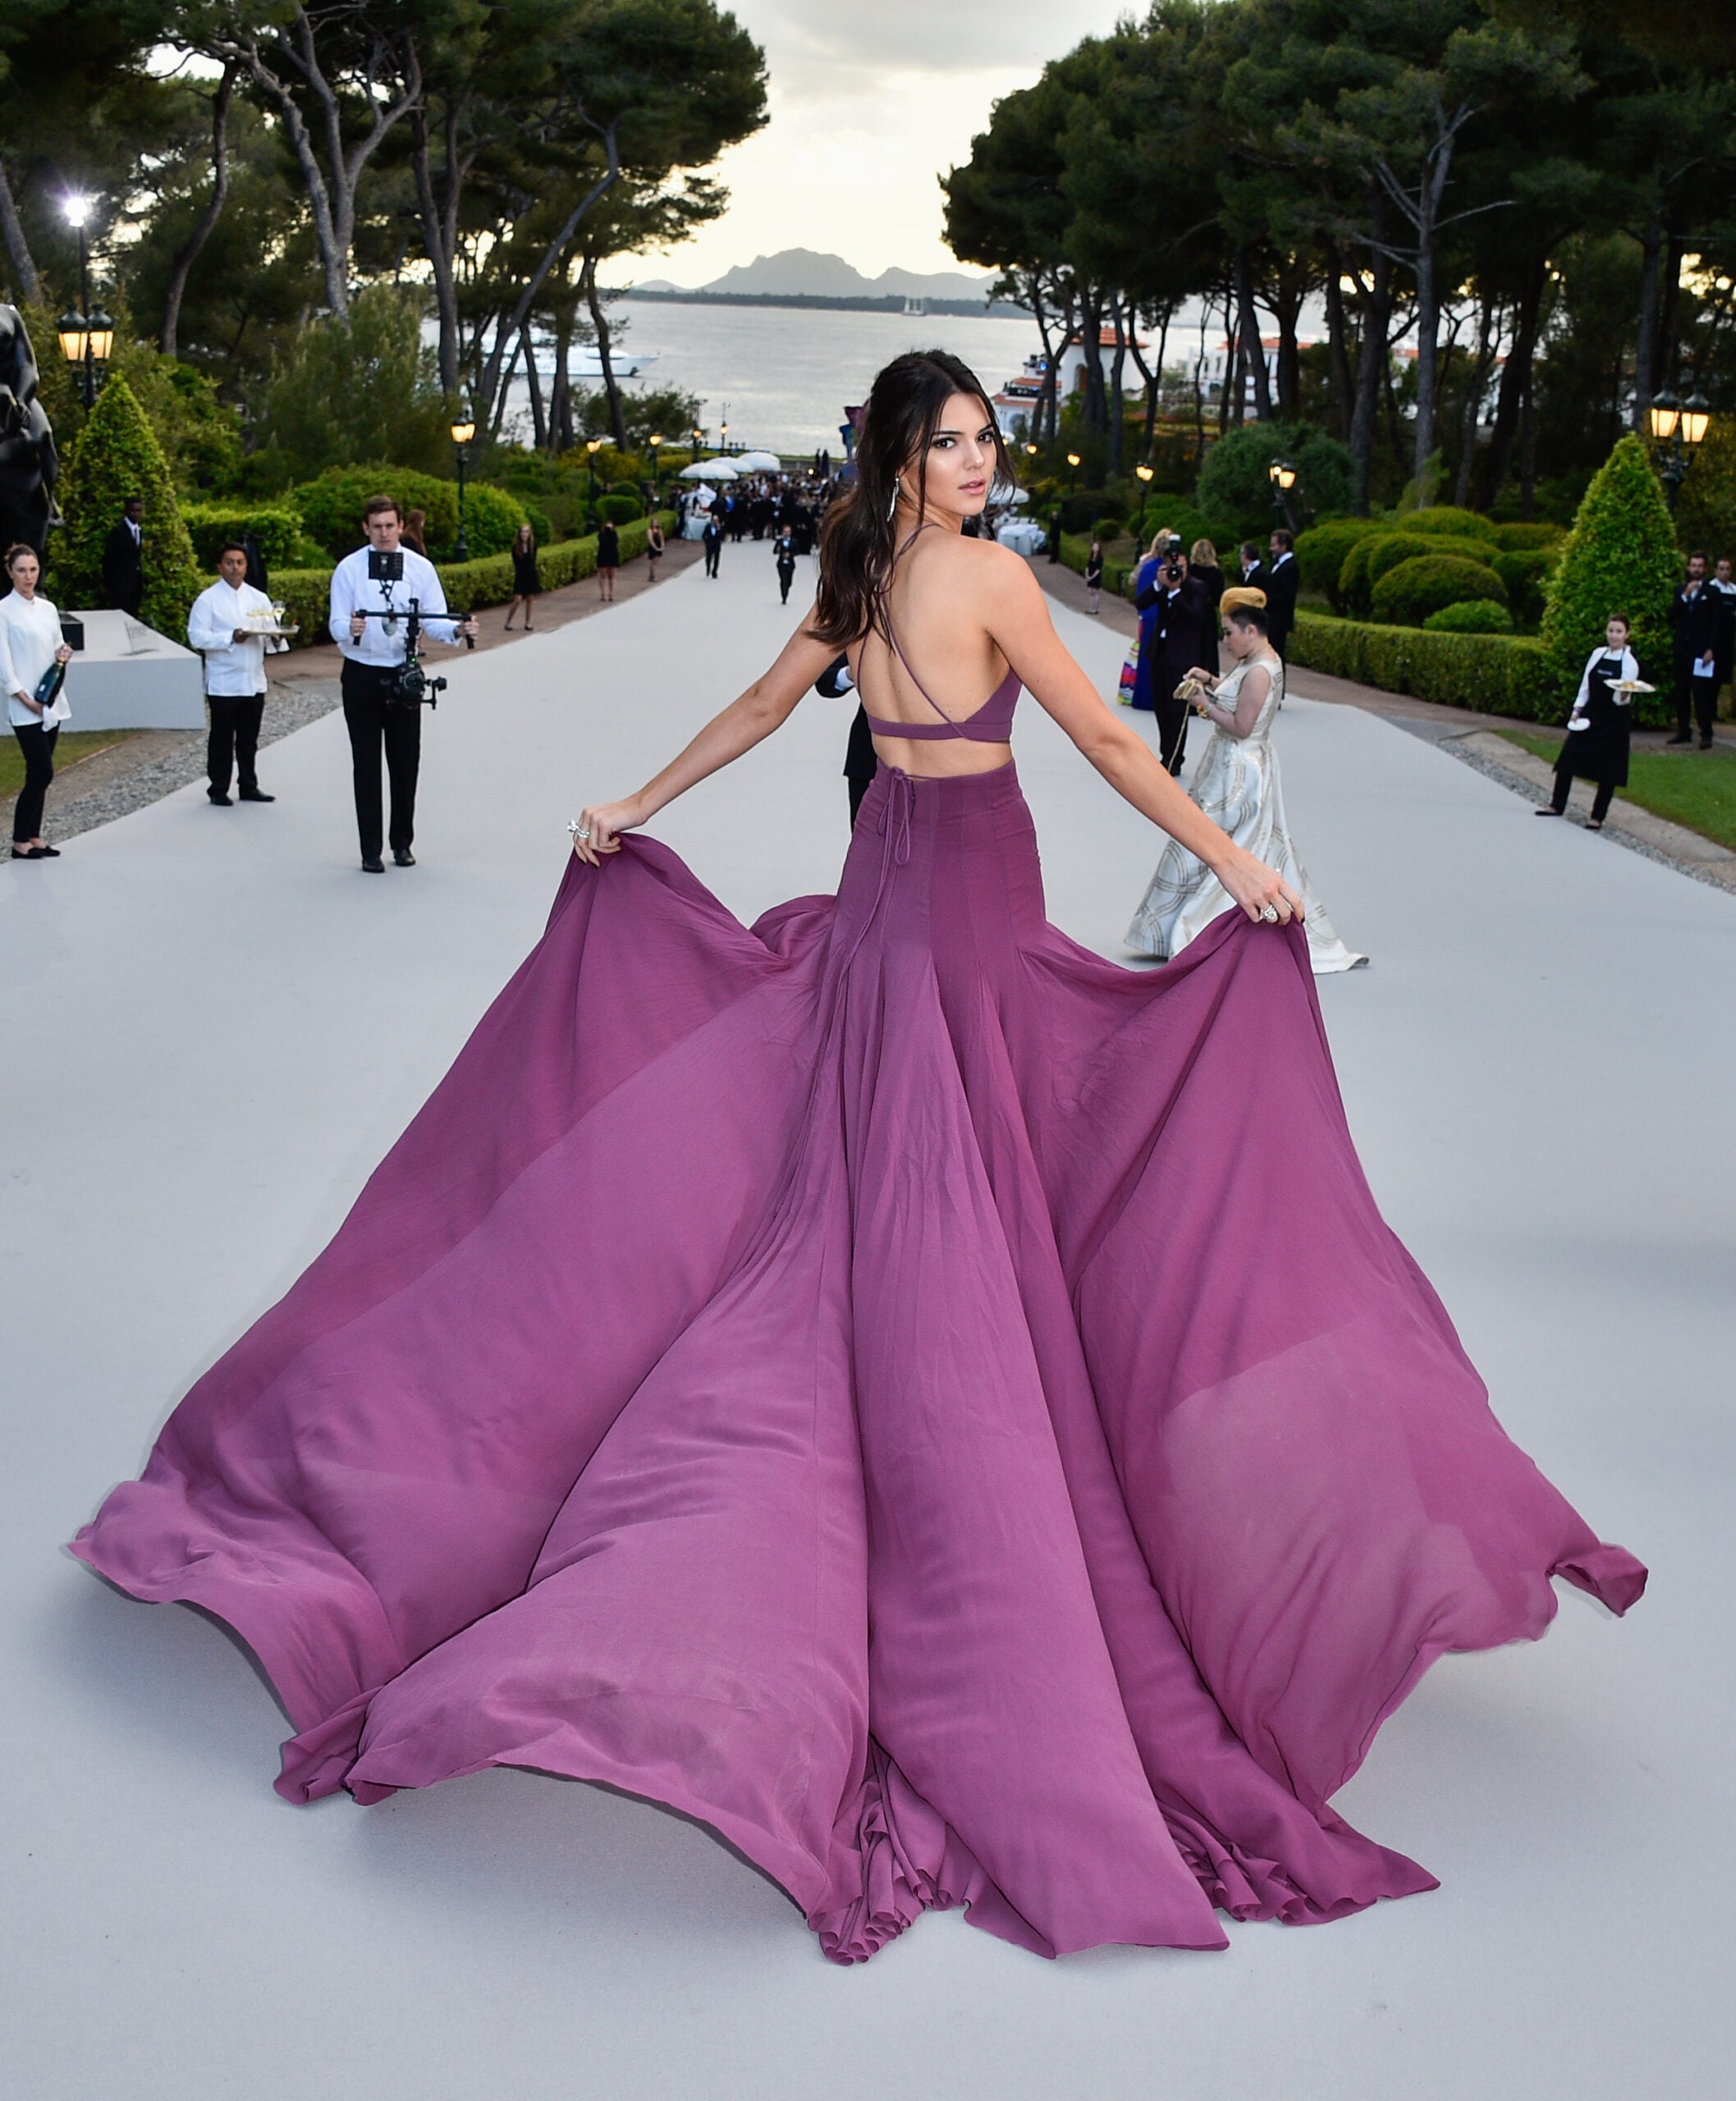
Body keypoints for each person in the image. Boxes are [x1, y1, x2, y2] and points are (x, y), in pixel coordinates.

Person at [71, 349, 1642, 1973]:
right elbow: (1101, 746)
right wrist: (1241, 858)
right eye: (954, 440)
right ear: (902, 452)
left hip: (891, 871)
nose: (981, 460)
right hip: (958, 883)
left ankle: (886, 1376)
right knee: (952, 1161)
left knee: (888, 1150)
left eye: (986, 438)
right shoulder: (983, 573)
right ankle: (940, 1442)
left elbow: (767, 711)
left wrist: (640, 794)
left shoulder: (863, 568)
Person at [1126, 593, 1365, 971]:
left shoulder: (1259, 669)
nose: (1225, 640)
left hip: (1238, 771)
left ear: (1250, 630)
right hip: (1238, 764)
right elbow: (1240, 695)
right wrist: (1211, 681)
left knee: (1219, 843)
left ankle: (1203, 929)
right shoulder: (1257, 661)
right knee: (1228, 841)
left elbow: (1241, 725)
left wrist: (1203, 701)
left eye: (1229, 633)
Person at [328, 493, 477, 873]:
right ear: (366, 529)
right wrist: (350, 628)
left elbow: (434, 620)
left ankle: (402, 843)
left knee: (406, 761)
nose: (383, 534)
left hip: (403, 672)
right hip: (361, 672)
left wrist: (458, 629)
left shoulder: (420, 568)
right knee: (366, 763)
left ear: (400, 527)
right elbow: (335, 624)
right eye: (376, 527)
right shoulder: (348, 569)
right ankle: (369, 850)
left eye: (390, 526)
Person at [187, 541, 284, 806]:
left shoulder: (258, 598)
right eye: (229, 563)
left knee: (248, 737)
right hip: (224, 680)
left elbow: (269, 630)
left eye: (240, 563)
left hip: (253, 678)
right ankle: (218, 787)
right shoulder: (208, 600)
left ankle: (248, 784)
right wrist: (230, 637)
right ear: (220, 566)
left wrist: (276, 639)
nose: (235, 568)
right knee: (222, 737)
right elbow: (197, 636)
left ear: (246, 565)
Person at [1, 541, 71, 858]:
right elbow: (4, 664)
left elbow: (57, 644)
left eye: (32, 570)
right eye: (21, 571)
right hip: (25, 703)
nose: (28, 577)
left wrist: (63, 654)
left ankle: (33, 835)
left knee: (39, 773)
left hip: (51, 700)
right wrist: (22, 696)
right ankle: (18, 840)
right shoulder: (3, 611)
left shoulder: (48, 608)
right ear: (10, 573)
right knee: (41, 770)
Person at [1536, 613, 1639, 831]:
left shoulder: (1630, 663)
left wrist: (1622, 693)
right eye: (1611, 631)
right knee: (1569, 757)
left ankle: (1597, 817)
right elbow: (1586, 685)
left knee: (1608, 769)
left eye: (1619, 631)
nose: (1614, 636)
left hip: (1613, 720)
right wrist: (1577, 709)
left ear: (1627, 634)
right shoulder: (1597, 654)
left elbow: (1623, 698)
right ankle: (1556, 804)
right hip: (1590, 714)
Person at [1132, 533, 1213, 774]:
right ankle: (1166, 752)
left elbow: (1196, 618)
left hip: (1183, 657)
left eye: (1181, 567)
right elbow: (1140, 603)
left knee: (1177, 709)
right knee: (1161, 707)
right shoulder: (1162, 584)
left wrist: (1176, 593)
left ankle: (1175, 758)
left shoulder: (1196, 588)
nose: (1176, 571)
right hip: (1160, 654)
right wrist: (1159, 585)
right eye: (1171, 567)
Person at [1667, 551, 1726, 748]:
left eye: (1700, 566)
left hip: (1700, 650)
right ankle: (1684, 730)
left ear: (1705, 569)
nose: (1696, 569)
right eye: (1693, 565)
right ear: (1688, 567)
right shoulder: (1681, 589)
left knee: (1701, 692)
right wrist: (1685, 596)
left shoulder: (1712, 593)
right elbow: (1672, 615)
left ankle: (1706, 732)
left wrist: (1711, 648)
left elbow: (1716, 624)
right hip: (1682, 648)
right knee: (1681, 691)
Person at [102, 496, 144, 617]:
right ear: (127, 511)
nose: (136, 514)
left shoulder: (139, 531)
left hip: (135, 583)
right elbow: (110, 558)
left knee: (133, 614)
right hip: (121, 584)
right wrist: (111, 584)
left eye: (139, 511)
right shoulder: (118, 531)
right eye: (133, 511)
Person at [1265, 528, 1299, 657]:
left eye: (1274, 545)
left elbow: (1287, 595)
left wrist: (1266, 600)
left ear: (1284, 546)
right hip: (1272, 616)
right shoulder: (1277, 564)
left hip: (1279, 618)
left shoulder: (1289, 567)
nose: (1271, 549)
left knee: (1276, 653)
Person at [505, 524, 539, 631]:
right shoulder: (516, 547)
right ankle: (508, 622)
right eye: (523, 532)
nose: (524, 534)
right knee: (518, 600)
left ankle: (528, 623)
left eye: (526, 532)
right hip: (520, 575)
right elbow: (516, 564)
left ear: (529, 534)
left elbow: (533, 561)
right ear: (519, 534)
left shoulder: (533, 546)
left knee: (530, 600)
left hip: (531, 574)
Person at [1189, 538, 1225, 609]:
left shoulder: (1189, 571)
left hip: (1191, 610)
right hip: (1209, 612)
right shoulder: (1218, 574)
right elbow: (1218, 600)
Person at [596, 518, 620, 603]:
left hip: (612, 555)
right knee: (603, 576)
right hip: (603, 556)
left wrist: (611, 532)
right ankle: (603, 594)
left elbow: (615, 541)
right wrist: (607, 532)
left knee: (612, 576)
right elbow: (603, 542)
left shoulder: (614, 534)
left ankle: (611, 594)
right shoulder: (601, 534)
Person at [774, 527, 797, 606]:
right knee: (784, 580)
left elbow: (797, 551)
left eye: (788, 532)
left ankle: (786, 589)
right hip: (781, 565)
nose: (786, 533)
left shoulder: (794, 542)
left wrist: (790, 554)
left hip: (790, 564)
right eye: (785, 532)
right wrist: (777, 550)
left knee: (789, 582)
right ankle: (784, 597)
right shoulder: (779, 541)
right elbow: (774, 551)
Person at [702, 508, 722, 579]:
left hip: (716, 545)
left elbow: (721, 536)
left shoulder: (719, 527)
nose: (715, 522)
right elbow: (704, 535)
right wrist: (706, 541)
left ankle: (714, 572)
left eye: (716, 520)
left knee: (716, 559)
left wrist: (719, 528)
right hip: (709, 545)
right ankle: (708, 568)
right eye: (714, 520)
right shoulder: (708, 527)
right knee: (708, 558)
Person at [1084, 538, 1104, 614]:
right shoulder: (1091, 557)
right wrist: (1087, 575)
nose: (1095, 548)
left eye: (1096, 547)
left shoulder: (1100, 558)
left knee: (1095, 592)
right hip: (1090, 575)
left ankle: (1095, 609)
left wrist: (1092, 577)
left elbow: (1098, 569)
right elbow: (1088, 566)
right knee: (1090, 592)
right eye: (1094, 547)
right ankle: (1090, 607)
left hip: (1096, 577)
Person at [645, 515, 665, 584]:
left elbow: (662, 538)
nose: (655, 524)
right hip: (653, 547)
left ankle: (652, 575)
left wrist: (662, 546)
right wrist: (655, 547)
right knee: (653, 562)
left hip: (659, 546)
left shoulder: (659, 530)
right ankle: (652, 576)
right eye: (654, 522)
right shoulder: (650, 530)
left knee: (656, 562)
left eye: (656, 522)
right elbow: (650, 540)